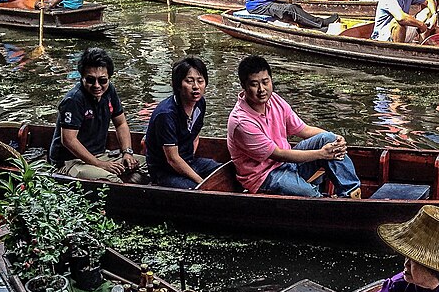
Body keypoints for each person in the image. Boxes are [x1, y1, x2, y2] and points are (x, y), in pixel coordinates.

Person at [227, 54, 360, 198]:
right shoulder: (241, 122)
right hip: (264, 176)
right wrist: (321, 154)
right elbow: (278, 154)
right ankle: (324, 201)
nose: (262, 89)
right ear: (244, 86)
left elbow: (304, 130)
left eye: (265, 82)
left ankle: (351, 194)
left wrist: (336, 139)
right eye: (254, 84)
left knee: (328, 138)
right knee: (309, 194)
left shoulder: (275, 100)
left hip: (288, 163)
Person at [49, 47, 138, 182]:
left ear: (109, 78)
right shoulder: (74, 100)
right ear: (82, 78)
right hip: (70, 161)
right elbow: (68, 140)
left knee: (150, 166)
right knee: (113, 181)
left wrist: (127, 152)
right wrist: (100, 164)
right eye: (90, 80)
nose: (97, 86)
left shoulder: (109, 91)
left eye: (102, 80)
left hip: (100, 154)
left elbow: (121, 123)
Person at [145, 56, 221, 189]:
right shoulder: (166, 114)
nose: (196, 87)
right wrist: (201, 181)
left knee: (223, 171)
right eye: (189, 81)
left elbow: (195, 135)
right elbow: (172, 159)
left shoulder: (199, 103)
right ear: (178, 85)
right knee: (194, 188)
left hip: (188, 161)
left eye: (200, 81)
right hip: (164, 170)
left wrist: (190, 160)